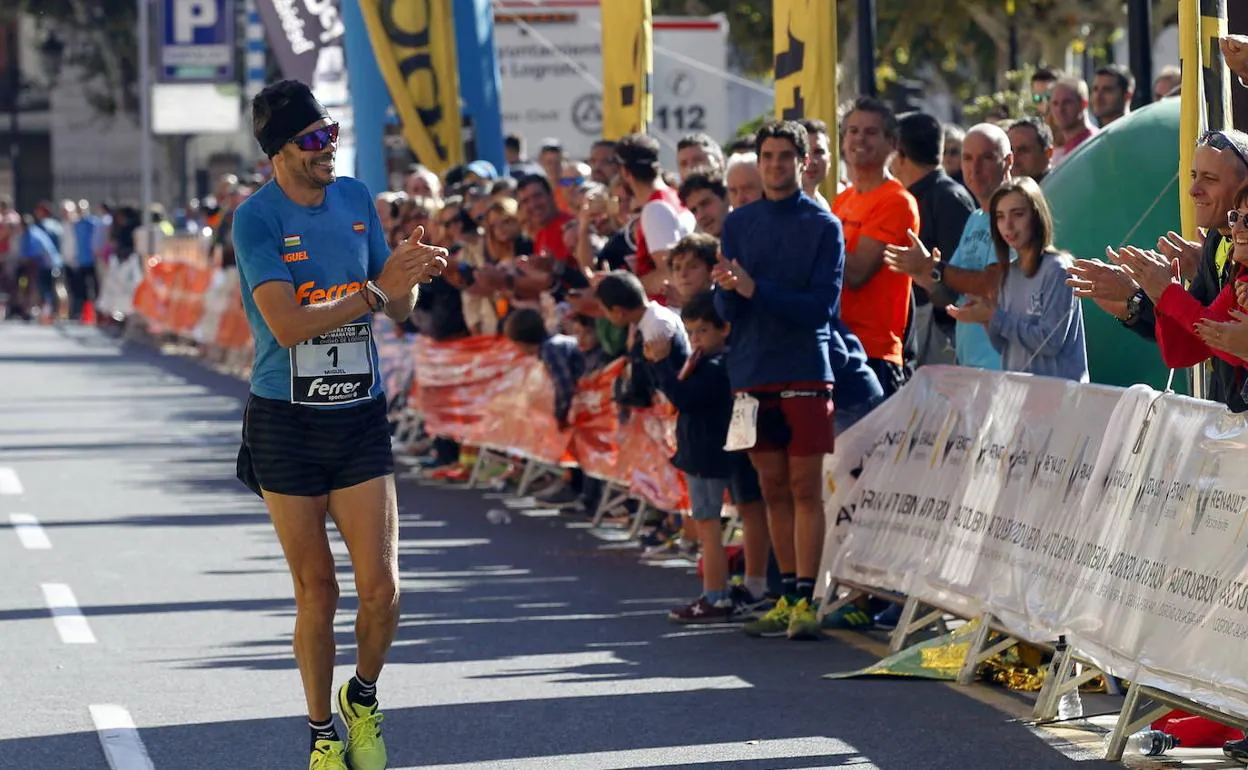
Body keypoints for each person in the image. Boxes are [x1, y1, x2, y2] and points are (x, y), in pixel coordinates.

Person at [231, 79, 448, 770]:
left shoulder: (355, 199)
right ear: (279, 152)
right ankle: (323, 731)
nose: (329, 150)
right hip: (285, 419)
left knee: (382, 588)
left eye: (332, 135)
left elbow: (398, 311)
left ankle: (363, 696)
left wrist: (407, 274)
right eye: (314, 140)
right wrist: (378, 289)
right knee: (316, 589)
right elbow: (288, 325)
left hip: (357, 414)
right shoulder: (256, 219)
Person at [711, 120, 844, 641]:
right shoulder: (739, 223)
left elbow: (820, 309)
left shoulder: (823, 224)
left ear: (803, 160)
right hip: (750, 371)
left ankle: (807, 597)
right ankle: (785, 594)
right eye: (767, 156)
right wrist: (728, 290)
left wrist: (752, 288)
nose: (774, 164)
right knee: (771, 489)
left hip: (805, 370)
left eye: (784, 156)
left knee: (805, 487)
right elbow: (725, 303)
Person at [1067, 129, 1248, 410]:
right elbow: (1188, 345)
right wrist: (1144, 299)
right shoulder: (1216, 240)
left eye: (1209, 179)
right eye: (1193, 176)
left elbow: (1218, 336)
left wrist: (1164, 292)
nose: (1193, 190)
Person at [884, 122, 1016, 371]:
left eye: (986, 158)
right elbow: (949, 296)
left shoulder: (1017, 217)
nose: (974, 168)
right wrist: (925, 278)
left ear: (1008, 161)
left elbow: (992, 285)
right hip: (968, 366)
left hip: (1004, 370)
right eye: (967, 158)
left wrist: (935, 269)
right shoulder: (975, 219)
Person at [644, 291, 738, 622]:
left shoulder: (717, 365)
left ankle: (715, 596)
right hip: (700, 451)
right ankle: (720, 591)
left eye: (703, 331)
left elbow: (683, 396)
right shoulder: (705, 360)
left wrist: (660, 363)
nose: (696, 339)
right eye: (692, 332)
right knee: (707, 523)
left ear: (723, 329)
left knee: (708, 525)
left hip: (707, 453)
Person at [947, 178, 1088, 381]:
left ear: (1037, 216)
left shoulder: (1058, 269)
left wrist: (995, 316)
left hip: (1058, 398)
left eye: (1018, 214)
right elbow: (1004, 347)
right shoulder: (1009, 273)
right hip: (1019, 395)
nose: (1008, 226)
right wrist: (984, 318)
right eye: (1000, 217)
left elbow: (1049, 342)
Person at [833, 97, 921, 394]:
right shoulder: (842, 201)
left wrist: (810, 242)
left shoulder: (897, 202)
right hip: (837, 344)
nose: (859, 139)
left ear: (892, 143)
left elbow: (857, 273)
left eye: (871, 132)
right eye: (853, 131)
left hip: (874, 354)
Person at [891, 112, 976, 367]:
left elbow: (962, 286)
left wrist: (930, 277)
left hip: (941, 342)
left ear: (900, 152)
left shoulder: (949, 199)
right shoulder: (902, 196)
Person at [614, 134, 696, 299]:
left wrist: (624, 287)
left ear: (625, 172)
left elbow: (670, 274)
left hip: (667, 313)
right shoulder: (673, 196)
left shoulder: (656, 209)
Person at [503, 308, 586, 431]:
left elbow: (564, 386)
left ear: (521, 344)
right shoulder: (552, 344)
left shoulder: (551, 351)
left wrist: (560, 416)